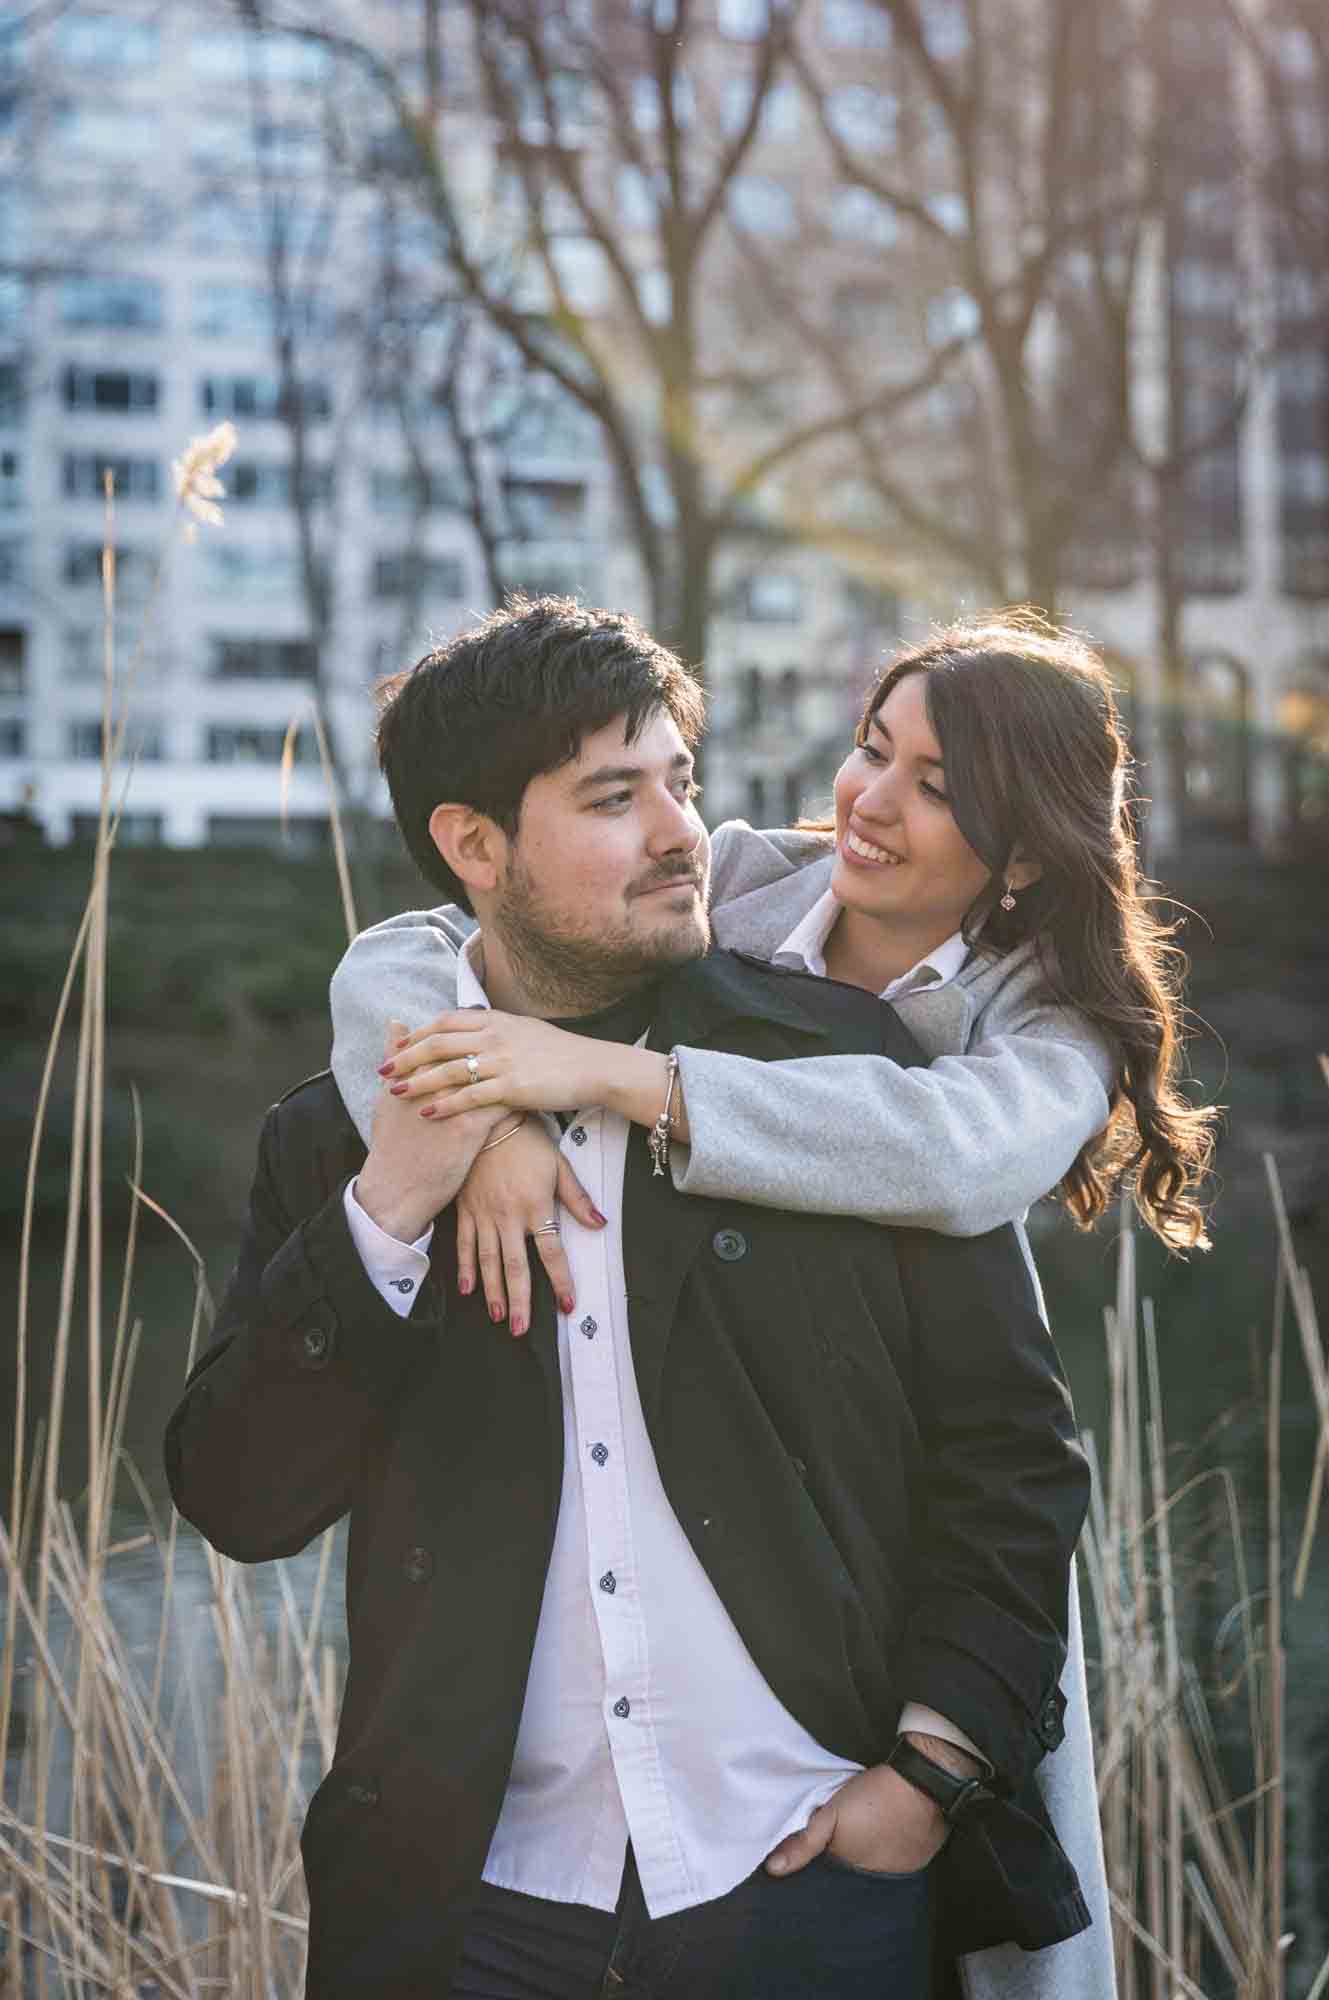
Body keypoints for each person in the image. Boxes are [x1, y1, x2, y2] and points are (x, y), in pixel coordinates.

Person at [166, 598, 1093, 2000]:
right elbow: (239, 1500)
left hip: (796, 1880)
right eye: (616, 797)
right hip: (462, 1908)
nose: (681, 834)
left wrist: (926, 1771)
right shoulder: (339, 1136)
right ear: (473, 847)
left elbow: (1010, 1465)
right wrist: (403, 1193)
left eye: (681, 780)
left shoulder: (841, 1085)